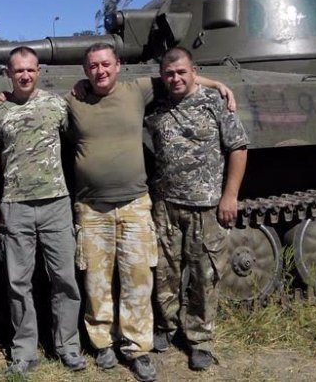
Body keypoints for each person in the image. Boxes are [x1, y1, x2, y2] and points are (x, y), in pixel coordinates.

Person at [66, 42, 234, 382]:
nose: (100, 70)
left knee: (138, 279)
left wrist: (217, 83)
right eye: (93, 66)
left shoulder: (137, 90)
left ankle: (137, 348)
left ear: (118, 65)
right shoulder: (74, 99)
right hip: (92, 208)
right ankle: (102, 342)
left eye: (106, 64)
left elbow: (179, 77)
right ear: (85, 70)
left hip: (135, 204)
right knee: (96, 281)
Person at [147, 46, 248, 371]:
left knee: (204, 277)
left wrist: (230, 195)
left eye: (182, 72)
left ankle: (200, 340)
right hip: (166, 204)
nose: (175, 78)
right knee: (165, 272)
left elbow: (238, 147)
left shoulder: (214, 102)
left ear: (194, 72)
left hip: (206, 206)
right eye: (169, 74)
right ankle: (166, 326)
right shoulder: (157, 103)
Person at [0, 46, 86, 375]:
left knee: (65, 280)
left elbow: (76, 143)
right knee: (18, 283)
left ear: (39, 71)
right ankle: (24, 350)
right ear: (8, 74)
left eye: (30, 69)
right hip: (15, 205)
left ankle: (67, 345)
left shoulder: (57, 105)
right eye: (19, 70)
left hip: (55, 202)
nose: (25, 75)